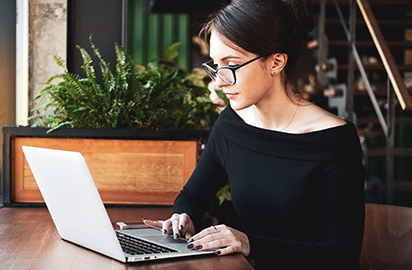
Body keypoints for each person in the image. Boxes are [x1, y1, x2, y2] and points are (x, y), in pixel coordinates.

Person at [144, 0, 365, 269]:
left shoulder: (334, 140)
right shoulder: (231, 124)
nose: (219, 81)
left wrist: (249, 243)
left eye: (231, 65)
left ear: (276, 62)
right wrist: (183, 217)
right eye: (215, 65)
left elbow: (342, 255)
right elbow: (192, 195)